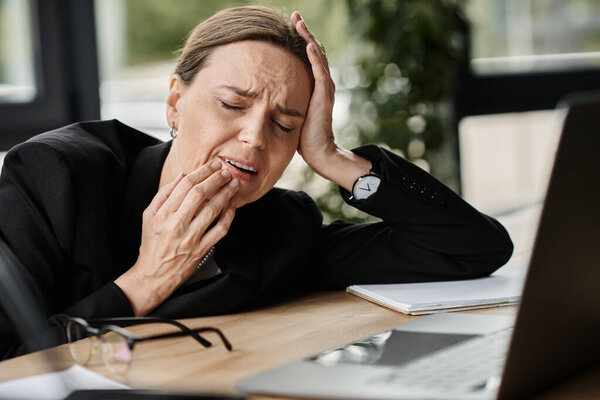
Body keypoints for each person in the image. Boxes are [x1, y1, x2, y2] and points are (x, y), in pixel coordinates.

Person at [0, 6, 512, 359]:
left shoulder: (281, 225)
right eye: (232, 104)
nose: (254, 138)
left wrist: (333, 158)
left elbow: (472, 248)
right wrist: (146, 280)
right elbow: (13, 359)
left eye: (285, 125)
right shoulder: (56, 177)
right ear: (176, 102)